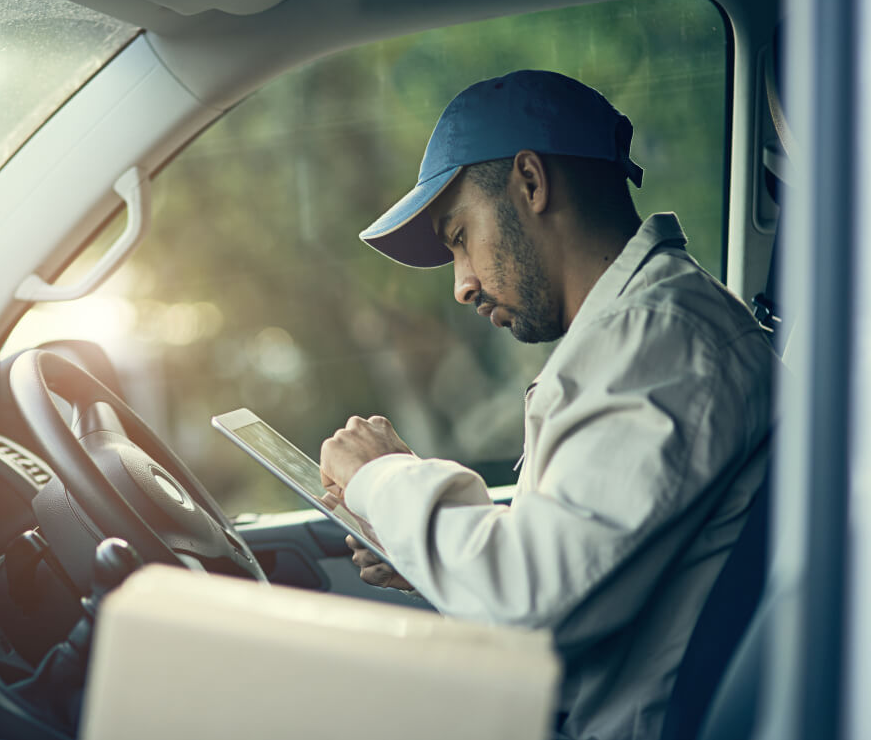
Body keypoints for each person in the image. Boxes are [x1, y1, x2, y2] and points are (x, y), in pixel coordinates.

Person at [317, 70, 777, 740]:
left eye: (458, 238)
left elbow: (527, 610)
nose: (462, 285)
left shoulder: (659, 342)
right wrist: (432, 555)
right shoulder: (636, 336)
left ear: (531, 183)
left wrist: (382, 476)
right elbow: (573, 563)